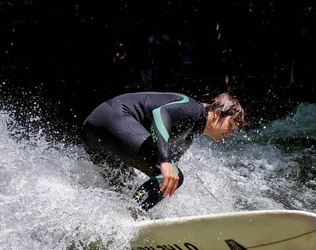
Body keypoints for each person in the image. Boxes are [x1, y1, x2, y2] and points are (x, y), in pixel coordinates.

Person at [82, 92, 247, 215]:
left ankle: (111, 221)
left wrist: (165, 164)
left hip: (94, 133)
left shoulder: (187, 137)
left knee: (126, 186)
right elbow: (160, 114)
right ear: (217, 113)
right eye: (231, 124)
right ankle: (132, 216)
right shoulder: (192, 108)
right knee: (169, 174)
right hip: (112, 118)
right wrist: (165, 160)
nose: (231, 132)